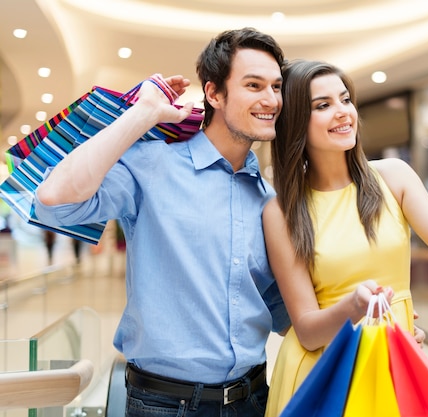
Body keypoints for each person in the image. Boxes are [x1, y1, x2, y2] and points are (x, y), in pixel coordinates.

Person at [34, 28, 289, 417]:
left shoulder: (267, 198)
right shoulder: (154, 164)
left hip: (252, 398)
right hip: (164, 404)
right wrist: (144, 113)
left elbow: (279, 306)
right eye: (254, 85)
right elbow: (55, 200)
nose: (271, 100)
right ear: (214, 94)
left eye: (276, 86)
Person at [262, 59, 428, 416]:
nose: (343, 113)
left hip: (395, 364)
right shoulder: (281, 211)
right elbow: (309, 331)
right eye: (323, 105)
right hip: (324, 375)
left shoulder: (392, 177)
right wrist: (355, 308)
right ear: (296, 121)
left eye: (345, 100)